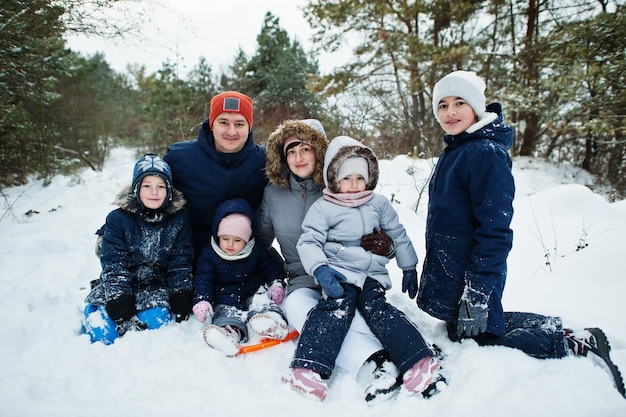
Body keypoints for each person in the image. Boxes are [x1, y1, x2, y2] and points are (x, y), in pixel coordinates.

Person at [416, 70, 625, 398]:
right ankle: (554, 328)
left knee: (478, 335)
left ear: (477, 108)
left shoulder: (485, 152)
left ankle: (569, 339)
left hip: (474, 269)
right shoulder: (457, 149)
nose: (450, 112)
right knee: (462, 328)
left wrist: (479, 291)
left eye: (460, 103)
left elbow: (495, 229)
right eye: (442, 105)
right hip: (455, 267)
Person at [279, 135, 445, 401]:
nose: (354, 185)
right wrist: (320, 268)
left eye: (359, 177)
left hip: (370, 275)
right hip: (338, 273)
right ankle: (308, 368)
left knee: (377, 310)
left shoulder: (378, 204)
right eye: (346, 178)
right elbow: (309, 240)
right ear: (334, 179)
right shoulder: (324, 207)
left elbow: (397, 234)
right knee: (335, 308)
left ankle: (418, 360)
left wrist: (409, 266)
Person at [257, 119, 406, 402]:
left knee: (354, 312)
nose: (298, 157)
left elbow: (387, 233)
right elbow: (261, 243)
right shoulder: (272, 194)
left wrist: (387, 247)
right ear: (282, 157)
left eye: (305, 148)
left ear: (320, 152)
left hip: (348, 276)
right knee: (300, 309)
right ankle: (375, 362)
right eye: (291, 151)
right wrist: (274, 271)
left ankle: (407, 351)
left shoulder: (343, 187)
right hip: (303, 278)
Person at [83, 154, 194, 345]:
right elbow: (114, 263)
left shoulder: (179, 219)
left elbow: (180, 260)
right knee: (104, 335)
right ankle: (96, 311)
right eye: (147, 186)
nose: (154, 192)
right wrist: (119, 297)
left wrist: (180, 292)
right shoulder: (118, 219)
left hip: (155, 285)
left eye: (160, 186)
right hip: (121, 283)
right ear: (136, 189)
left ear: (169, 191)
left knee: (155, 325)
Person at [163, 91, 267, 266]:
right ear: (211, 124)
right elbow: (148, 193)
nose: (231, 131)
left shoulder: (265, 160)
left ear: (249, 127)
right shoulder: (179, 158)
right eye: (223, 122)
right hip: (189, 261)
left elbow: (296, 191)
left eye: (239, 124)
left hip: (245, 262)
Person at [192, 198, 288, 357]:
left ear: (247, 239)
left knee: (263, 302)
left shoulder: (256, 249)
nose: (230, 244)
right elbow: (203, 278)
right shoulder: (209, 253)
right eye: (225, 239)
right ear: (217, 235)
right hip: (225, 294)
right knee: (225, 314)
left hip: (254, 289)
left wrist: (276, 283)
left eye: (237, 240)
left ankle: (271, 322)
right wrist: (202, 299)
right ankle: (229, 334)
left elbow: (270, 267)